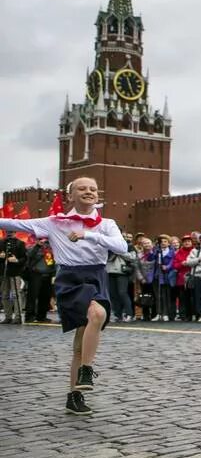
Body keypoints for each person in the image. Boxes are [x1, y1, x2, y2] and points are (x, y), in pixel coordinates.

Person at [0, 178, 128, 415]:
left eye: (93, 188)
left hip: (96, 276)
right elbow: (13, 223)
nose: (89, 191)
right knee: (97, 314)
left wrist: (88, 235)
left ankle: (74, 395)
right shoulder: (53, 223)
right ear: (70, 196)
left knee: (81, 342)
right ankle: (87, 371)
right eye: (82, 188)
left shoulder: (106, 223)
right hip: (70, 279)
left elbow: (121, 247)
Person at [25, 238, 58, 323]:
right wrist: (37, 245)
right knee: (32, 297)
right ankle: (29, 316)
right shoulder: (32, 246)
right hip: (36, 274)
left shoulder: (52, 248)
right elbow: (29, 255)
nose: (44, 243)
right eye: (41, 240)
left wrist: (53, 274)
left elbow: (54, 262)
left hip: (48, 274)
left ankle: (42, 316)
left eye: (46, 241)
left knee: (45, 297)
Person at [104, 239, 137, 323]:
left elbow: (132, 257)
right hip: (110, 271)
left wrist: (119, 251)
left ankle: (129, 314)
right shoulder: (108, 243)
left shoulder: (127, 245)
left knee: (122, 293)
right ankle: (117, 315)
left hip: (122, 272)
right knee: (113, 294)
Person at [1, 234, 27, 324]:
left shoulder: (20, 243)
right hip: (3, 272)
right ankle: (8, 316)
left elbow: (25, 258)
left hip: (15, 272)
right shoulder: (1, 242)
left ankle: (18, 317)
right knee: (4, 295)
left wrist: (17, 260)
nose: (10, 233)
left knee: (16, 294)